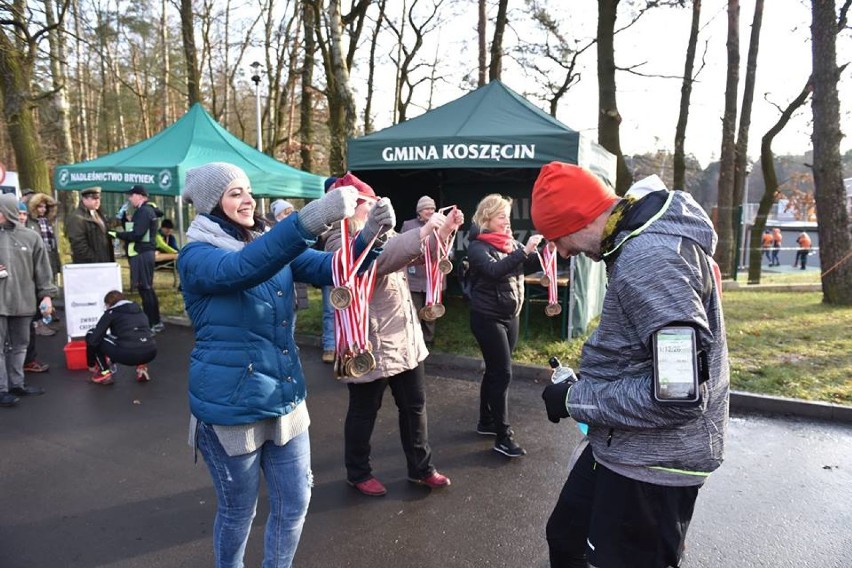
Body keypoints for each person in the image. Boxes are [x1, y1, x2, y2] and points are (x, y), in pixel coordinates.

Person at [178, 161, 386, 568]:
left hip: (286, 399)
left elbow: (331, 269)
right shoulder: (196, 256)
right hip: (231, 409)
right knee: (239, 512)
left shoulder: (268, 241)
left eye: (248, 190)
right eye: (234, 192)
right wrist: (311, 219)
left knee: (295, 503)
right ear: (210, 204)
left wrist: (372, 237)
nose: (247, 199)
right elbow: (242, 268)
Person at [531, 162, 729, 568]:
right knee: (565, 536)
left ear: (579, 217)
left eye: (559, 238)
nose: (564, 252)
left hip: (652, 464)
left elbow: (678, 395)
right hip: (623, 446)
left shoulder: (650, 260)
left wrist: (576, 399)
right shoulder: (634, 244)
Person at [325, 174, 462, 496]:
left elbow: (414, 252)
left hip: (404, 340)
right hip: (368, 343)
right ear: (347, 208)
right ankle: (357, 472)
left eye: (373, 203)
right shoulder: (338, 238)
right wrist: (423, 230)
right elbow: (382, 259)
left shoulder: (388, 233)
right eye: (365, 204)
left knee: (415, 406)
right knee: (363, 411)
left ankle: (422, 468)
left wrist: (444, 230)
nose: (373, 209)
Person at [466, 194, 544, 458]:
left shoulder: (509, 242)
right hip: (487, 317)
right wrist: (524, 250)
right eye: (502, 216)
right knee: (503, 373)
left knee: (495, 371)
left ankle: (485, 421)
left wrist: (544, 252)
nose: (507, 221)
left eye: (507, 216)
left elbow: (525, 265)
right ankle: (503, 436)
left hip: (510, 314)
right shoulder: (477, 246)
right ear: (487, 218)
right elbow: (494, 270)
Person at [0, 194, 57, 408]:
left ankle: (17, 384)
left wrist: (47, 296)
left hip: (24, 302)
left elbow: (43, 270)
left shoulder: (31, 238)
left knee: (21, 345)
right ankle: (1, 389)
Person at [113, 185, 163, 332]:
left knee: (145, 288)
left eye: (131, 195)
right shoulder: (146, 211)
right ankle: (156, 321)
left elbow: (136, 234)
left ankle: (151, 324)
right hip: (145, 252)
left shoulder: (143, 211)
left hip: (141, 253)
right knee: (147, 288)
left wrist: (116, 234)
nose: (129, 198)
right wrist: (125, 220)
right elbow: (136, 230)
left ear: (140, 196)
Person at [85, 290, 157, 384]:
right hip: (151, 352)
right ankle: (141, 368)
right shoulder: (139, 310)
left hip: (128, 354)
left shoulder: (111, 312)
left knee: (92, 334)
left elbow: (93, 340)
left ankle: (105, 373)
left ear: (109, 304)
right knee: (138, 338)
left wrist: (90, 363)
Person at [401, 195, 445, 346]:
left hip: (433, 277)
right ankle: (414, 338)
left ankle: (428, 339)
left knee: (431, 308)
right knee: (414, 309)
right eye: (427, 208)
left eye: (433, 208)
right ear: (419, 211)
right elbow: (401, 246)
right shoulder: (408, 225)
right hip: (414, 277)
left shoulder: (441, 224)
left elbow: (446, 246)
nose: (431, 211)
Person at [318, 176, 339, 364]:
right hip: (327, 267)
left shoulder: (350, 209)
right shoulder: (321, 211)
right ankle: (330, 346)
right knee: (330, 310)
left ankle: (349, 345)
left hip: (349, 268)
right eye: (333, 187)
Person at [65, 187, 115, 264]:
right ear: (84, 199)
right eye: (94, 198)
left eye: (99, 198)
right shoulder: (77, 218)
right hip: (89, 264)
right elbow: (79, 245)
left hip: (104, 260)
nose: (97, 201)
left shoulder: (100, 214)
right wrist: (94, 259)